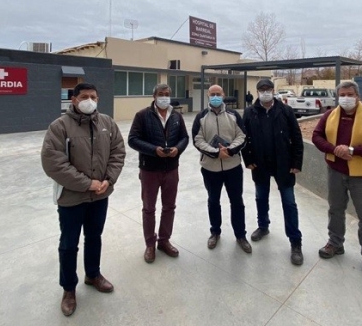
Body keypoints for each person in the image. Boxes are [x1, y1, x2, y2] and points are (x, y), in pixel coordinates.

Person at [41, 83, 126, 316]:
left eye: (94, 97)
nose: (91, 101)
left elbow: (118, 151)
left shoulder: (107, 124)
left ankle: (93, 274)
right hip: (71, 197)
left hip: (100, 195)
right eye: (85, 97)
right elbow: (53, 163)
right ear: (74, 100)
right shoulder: (59, 127)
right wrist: (87, 183)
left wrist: (109, 179)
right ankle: (69, 288)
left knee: (94, 237)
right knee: (69, 244)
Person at [311, 80, 362, 279]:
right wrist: (334, 149)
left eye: (349, 94)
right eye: (342, 94)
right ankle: (335, 244)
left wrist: (353, 150)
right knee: (335, 210)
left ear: (357, 97)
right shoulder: (330, 116)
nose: (346, 98)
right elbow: (317, 137)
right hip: (336, 172)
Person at [242, 78, 305, 265]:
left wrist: (296, 163)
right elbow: (244, 138)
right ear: (257, 91)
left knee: (289, 202)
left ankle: (295, 241)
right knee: (261, 197)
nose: (265, 92)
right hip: (260, 164)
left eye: (268, 89)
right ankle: (263, 226)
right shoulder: (249, 112)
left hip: (284, 164)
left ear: (273, 90)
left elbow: (297, 138)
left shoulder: (285, 111)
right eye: (261, 89)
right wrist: (249, 160)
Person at [128, 84, 189, 264]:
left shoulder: (177, 116)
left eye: (167, 94)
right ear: (154, 96)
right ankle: (150, 244)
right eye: (161, 94)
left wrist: (178, 149)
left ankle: (164, 241)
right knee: (149, 208)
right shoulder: (142, 115)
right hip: (149, 170)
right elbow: (133, 140)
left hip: (171, 169)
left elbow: (185, 137)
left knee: (169, 207)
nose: (164, 97)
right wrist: (154, 150)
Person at [192, 85, 251, 253]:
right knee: (213, 201)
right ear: (208, 96)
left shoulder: (234, 115)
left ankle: (240, 235)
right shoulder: (201, 117)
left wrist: (230, 150)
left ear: (224, 95)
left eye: (218, 94)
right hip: (210, 168)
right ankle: (215, 232)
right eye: (213, 94)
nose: (216, 96)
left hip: (233, 167)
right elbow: (197, 140)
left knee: (237, 202)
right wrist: (216, 153)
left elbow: (242, 136)